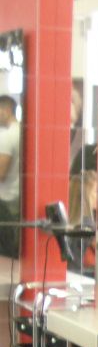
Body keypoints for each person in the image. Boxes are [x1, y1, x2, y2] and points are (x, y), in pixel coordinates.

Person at [0, 92, 21, 256]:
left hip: (5, 201)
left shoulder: (7, 136)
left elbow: (1, 174)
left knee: (5, 250)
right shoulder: (23, 132)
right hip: (18, 199)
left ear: (6, 110)